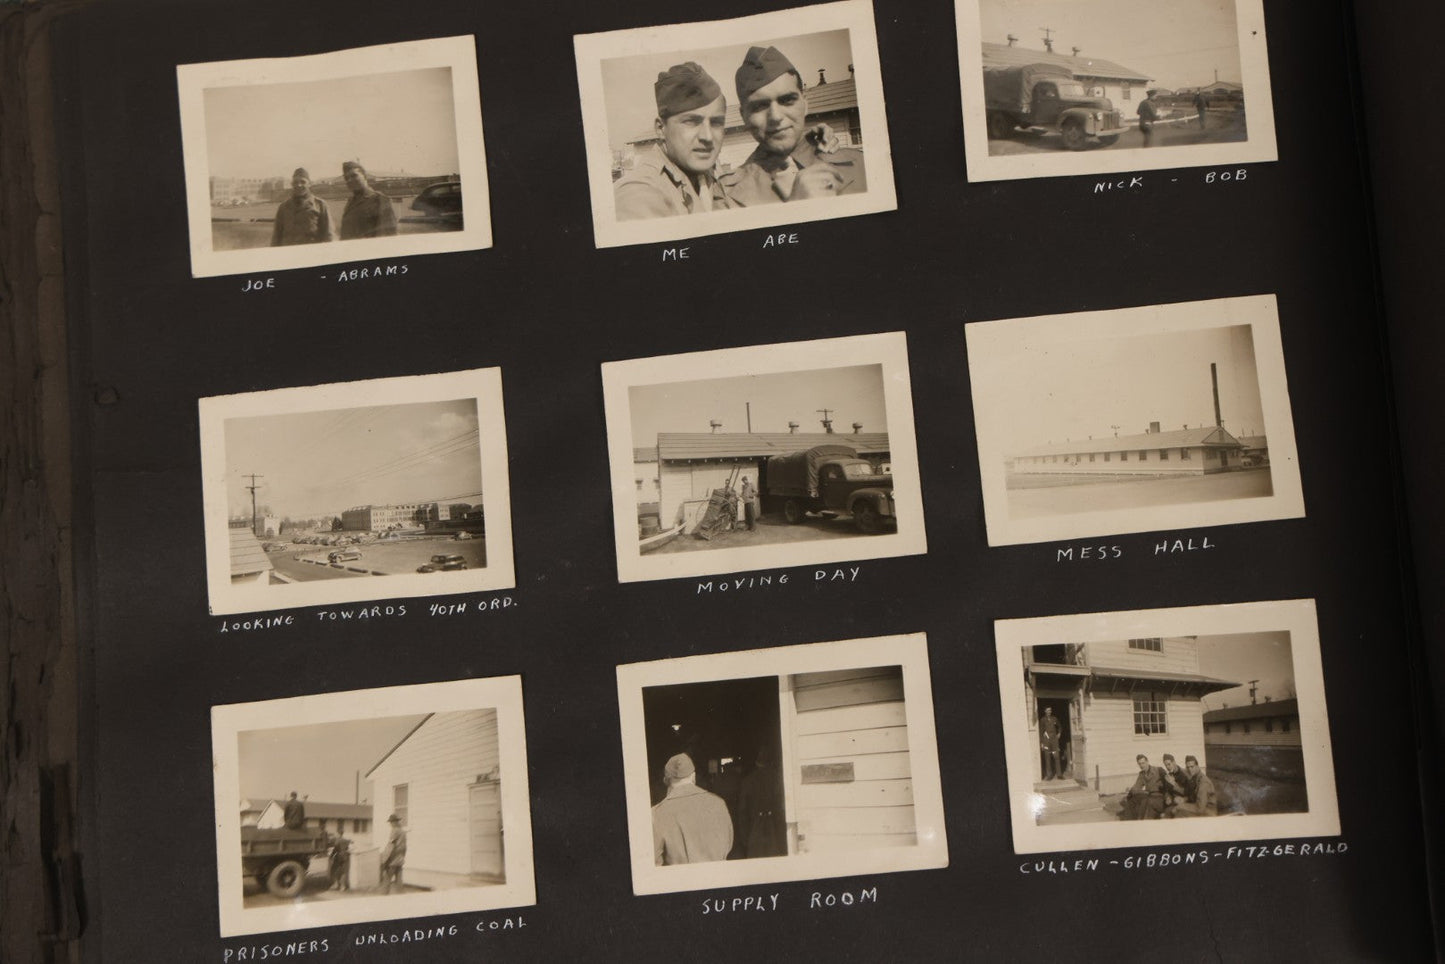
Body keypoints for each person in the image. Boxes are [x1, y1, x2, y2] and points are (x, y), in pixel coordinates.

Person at [720, 46, 867, 205]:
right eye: (760, 106)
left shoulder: (861, 163)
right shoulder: (724, 197)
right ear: (744, 117)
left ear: (805, 104)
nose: (775, 117)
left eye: (787, 100)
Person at [615, 62, 732, 220]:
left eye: (716, 122)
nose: (708, 137)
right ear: (661, 128)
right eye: (691, 121)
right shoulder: (639, 192)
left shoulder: (710, 174)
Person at [651, 753, 733, 865]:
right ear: (693, 776)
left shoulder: (657, 813)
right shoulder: (719, 803)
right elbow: (728, 843)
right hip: (718, 877)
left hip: (683, 880)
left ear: (666, 780)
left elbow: (654, 861)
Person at [736, 745, 786, 858]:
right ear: (772, 762)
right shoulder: (778, 779)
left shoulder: (748, 781)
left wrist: (745, 838)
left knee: (756, 862)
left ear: (756, 762)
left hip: (755, 828)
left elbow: (742, 812)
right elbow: (781, 806)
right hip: (774, 826)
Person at [270, 168, 332, 245]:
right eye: (295, 182)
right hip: (289, 254)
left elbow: (329, 236)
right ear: (292, 185)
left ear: (309, 184)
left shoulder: (320, 205)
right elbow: (276, 237)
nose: (299, 185)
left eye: (303, 182)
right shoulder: (283, 207)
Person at [339, 161, 398, 240]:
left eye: (354, 176)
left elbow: (387, 236)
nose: (349, 180)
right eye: (346, 178)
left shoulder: (380, 200)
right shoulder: (350, 203)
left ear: (365, 176)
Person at [1120, 754, 1165, 820]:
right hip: (1149, 796)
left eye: (1143, 763)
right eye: (1139, 764)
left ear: (1147, 762)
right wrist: (1130, 791)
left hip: (1159, 797)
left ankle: (1142, 821)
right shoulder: (1142, 774)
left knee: (1145, 802)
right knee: (1132, 801)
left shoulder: (1158, 770)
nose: (1141, 765)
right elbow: (1136, 787)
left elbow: (1167, 784)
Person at [379, 812, 406, 893]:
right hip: (400, 859)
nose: (390, 824)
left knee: (387, 878)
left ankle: (383, 898)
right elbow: (405, 847)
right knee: (399, 880)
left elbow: (390, 846)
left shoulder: (394, 831)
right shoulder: (403, 831)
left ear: (395, 822)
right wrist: (402, 857)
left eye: (391, 822)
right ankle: (400, 898)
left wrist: (384, 859)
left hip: (393, 859)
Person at [1039, 707, 1062, 780]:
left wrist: (1059, 733)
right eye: (1048, 710)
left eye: (1050, 710)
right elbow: (1041, 731)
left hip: (1054, 740)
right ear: (1045, 711)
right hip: (1046, 740)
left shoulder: (1054, 718)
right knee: (1047, 757)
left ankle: (1059, 774)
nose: (1049, 711)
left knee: (1056, 756)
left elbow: (1060, 726)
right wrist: (1042, 742)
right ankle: (1049, 775)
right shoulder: (1042, 720)